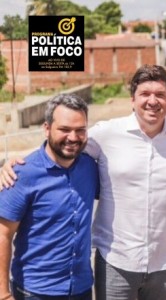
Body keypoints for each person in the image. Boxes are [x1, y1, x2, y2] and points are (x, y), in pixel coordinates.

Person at [0, 65, 166, 299]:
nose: (152, 101)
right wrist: (12, 164)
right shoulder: (105, 134)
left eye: (160, 95)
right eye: (145, 94)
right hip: (115, 263)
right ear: (132, 100)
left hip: (164, 263)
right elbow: (61, 146)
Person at [0, 94, 99, 299]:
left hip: (81, 289)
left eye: (80, 130)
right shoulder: (21, 174)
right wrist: (3, 293)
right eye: (64, 129)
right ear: (46, 129)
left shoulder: (90, 167)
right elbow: (3, 235)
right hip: (35, 292)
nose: (73, 137)